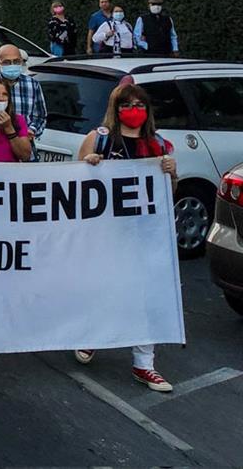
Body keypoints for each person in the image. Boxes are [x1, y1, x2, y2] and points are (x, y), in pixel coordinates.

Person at [74, 83, 178, 393]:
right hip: (106, 233)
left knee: (146, 295)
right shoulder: (100, 139)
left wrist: (171, 174)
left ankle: (144, 362)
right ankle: (91, 335)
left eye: (139, 104)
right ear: (115, 108)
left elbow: (168, 194)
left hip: (145, 234)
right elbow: (72, 183)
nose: (133, 110)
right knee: (103, 286)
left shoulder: (158, 145)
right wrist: (88, 165)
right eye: (126, 104)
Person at [0, 45, 47, 140]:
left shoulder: (32, 84)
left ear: (22, 61)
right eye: (7, 62)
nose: (12, 65)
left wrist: (31, 130)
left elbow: (40, 116)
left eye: (16, 61)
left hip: (23, 143)